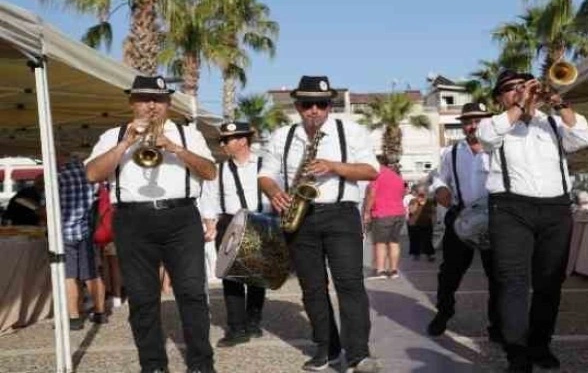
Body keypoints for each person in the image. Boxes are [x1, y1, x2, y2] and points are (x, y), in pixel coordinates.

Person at [85, 75, 217, 373]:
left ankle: (201, 364)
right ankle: (153, 365)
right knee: (143, 299)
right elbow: (93, 174)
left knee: (192, 294)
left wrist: (175, 148)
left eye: (158, 99)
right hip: (132, 220)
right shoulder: (113, 134)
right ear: (132, 101)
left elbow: (210, 172)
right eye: (144, 99)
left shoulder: (187, 134)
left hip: (181, 217)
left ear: (169, 103)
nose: (151, 105)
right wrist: (125, 144)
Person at [258, 75, 381, 373]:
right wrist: (275, 193)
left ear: (329, 106)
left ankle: (358, 354)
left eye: (321, 104)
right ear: (298, 106)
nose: (314, 110)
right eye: (307, 104)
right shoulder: (282, 135)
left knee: (350, 284)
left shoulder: (350, 131)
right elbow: (265, 174)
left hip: (341, 213)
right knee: (312, 288)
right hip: (300, 217)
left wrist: (333, 166)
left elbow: (371, 170)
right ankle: (327, 348)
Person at [479, 70, 588, 372]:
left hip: (555, 210)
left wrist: (556, 100)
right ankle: (517, 355)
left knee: (550, 283)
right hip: (510, 210)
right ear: (499, 98)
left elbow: (585, 137)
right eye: (510, 89)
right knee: (512, 283)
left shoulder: (552, 123)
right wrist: (518, 105)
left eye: (523, 86)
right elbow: (487, 137)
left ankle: (540, 346)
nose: (519, 91)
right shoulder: (495, 125)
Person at [427, 102, 501, 343]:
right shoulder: (452, 152)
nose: (472, 126)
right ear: (462, 125)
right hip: (462, 219)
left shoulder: (500, 148)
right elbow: (438, 178)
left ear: (488, 121)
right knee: (449, 272)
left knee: (498, 275)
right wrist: (439, 189)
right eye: (468, 122)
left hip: (496, 219)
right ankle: (444, 312)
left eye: (478, 120)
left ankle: (497, 324)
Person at [199, 121, 269, 347]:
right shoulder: (218, 171)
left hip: (261, 220)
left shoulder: (266, 166)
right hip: (230, 223)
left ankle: (253, 321)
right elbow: (208, 199)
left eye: (226, 140)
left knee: (257, 278)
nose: (222, 144)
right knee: (231, 278)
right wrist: (210, 224)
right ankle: (237, 328)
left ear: (243, 141)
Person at [58, 152, 107, 330]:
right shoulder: (90, 175)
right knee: (91, 274)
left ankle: (74, 317)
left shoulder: (59, 177)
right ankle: (100, 313)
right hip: (85, 230)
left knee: (69, 276)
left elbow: (50, 207)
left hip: (64, 232)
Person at [363, 155, 406, 280]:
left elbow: (372, 194)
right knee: (394, 242)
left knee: (380, 242)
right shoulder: (397, 176)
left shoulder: (376, 174)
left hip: (382, 213)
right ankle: (393, 270)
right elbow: (402, 193)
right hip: (399, 212)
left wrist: (367, 211)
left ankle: (380, 270)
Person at [407, 184, 436, 262]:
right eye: (420, 193)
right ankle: (415, 254)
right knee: (414, 239)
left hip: (427, 222)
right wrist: (418, 203)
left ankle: (429, 254)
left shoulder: (430, 201)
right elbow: (412, 211)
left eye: (424, 192)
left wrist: (434, 221)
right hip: (414, 223)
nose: (422, 195)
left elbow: (433, 212)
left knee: (428, 239)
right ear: (417, 193)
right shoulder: (413, 201)